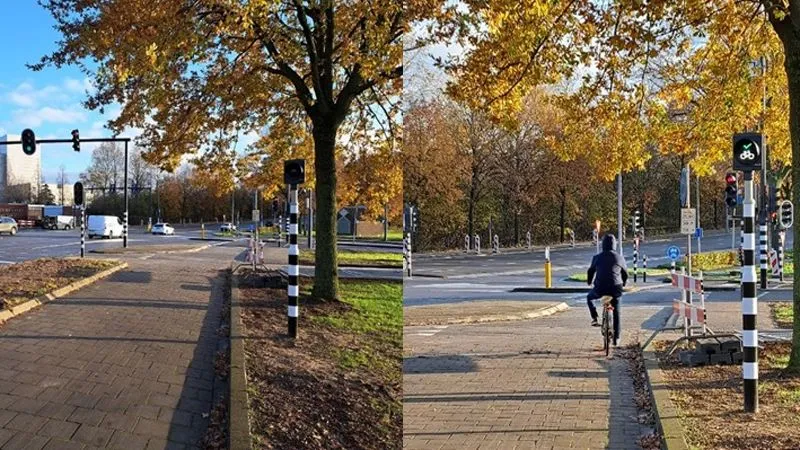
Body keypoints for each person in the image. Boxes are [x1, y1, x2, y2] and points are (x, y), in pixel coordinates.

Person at [586, 233, 628, 344]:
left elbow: (590, 271)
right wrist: (623, 284)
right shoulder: (619, 257)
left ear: (603, 244)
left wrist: (589, 282)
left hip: (600, 288)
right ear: (614, 245)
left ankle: (595, 318)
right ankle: (617, 338)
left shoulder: (597, 257)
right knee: (617, 311)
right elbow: (625, 273)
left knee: (589, 298)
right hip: (616, 289)